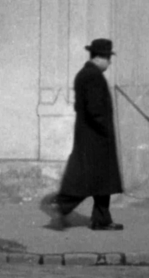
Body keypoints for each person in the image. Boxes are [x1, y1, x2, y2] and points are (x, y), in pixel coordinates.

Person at [47, 38, 124, 231]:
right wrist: (106, 130)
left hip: (90, 134)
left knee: (101, 181)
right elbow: (95, 109)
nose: (110, 62)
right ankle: (63, 205)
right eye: (108, 58)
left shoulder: (85, 74)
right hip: (96, 137)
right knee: (87, 178)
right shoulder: (93, 76)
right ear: (101, 57)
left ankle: (102, 219)